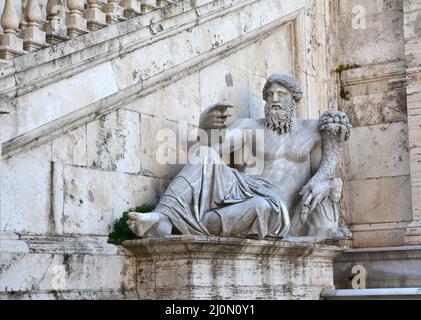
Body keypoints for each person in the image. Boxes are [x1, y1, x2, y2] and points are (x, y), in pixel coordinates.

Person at [127, 73, 352, 240]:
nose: (274, 99)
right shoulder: (249, 126)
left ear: (294, 100)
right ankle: (162, 217)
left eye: (281, 94)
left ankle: (192, 222)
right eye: (270, 95)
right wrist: (205, 128)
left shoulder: (311, 131)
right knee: (205, 155)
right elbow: (214, 148)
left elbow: (324, 170)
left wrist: (322, 182)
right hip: (242, 188)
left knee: (260, 207)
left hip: (275, 204)